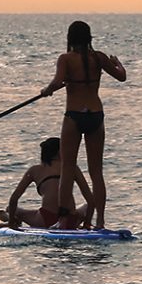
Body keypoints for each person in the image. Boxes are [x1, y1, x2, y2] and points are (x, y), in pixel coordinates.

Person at [40, 21, 126, 229]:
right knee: (96, 172)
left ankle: (62, 220)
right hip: (96, 115)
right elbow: (121, 77)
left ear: (70, 38)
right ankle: (100, 221)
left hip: (74, 116)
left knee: (68, 168)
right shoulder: (99, 58)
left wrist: (47, 90)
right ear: (89, 38)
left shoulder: (65, 59)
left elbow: (57, 81)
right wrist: (118, 63)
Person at [0, 137, 94, 229]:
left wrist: (11, 224)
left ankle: (12, 219)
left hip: (46, 219)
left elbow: (14, 198)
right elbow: (90, 200)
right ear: (58, 152)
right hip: (71, 220)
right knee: (85, 206)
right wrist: (87, 223)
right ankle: (82, 223)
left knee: (11, 208)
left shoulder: (35, 170)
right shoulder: (73, 168)